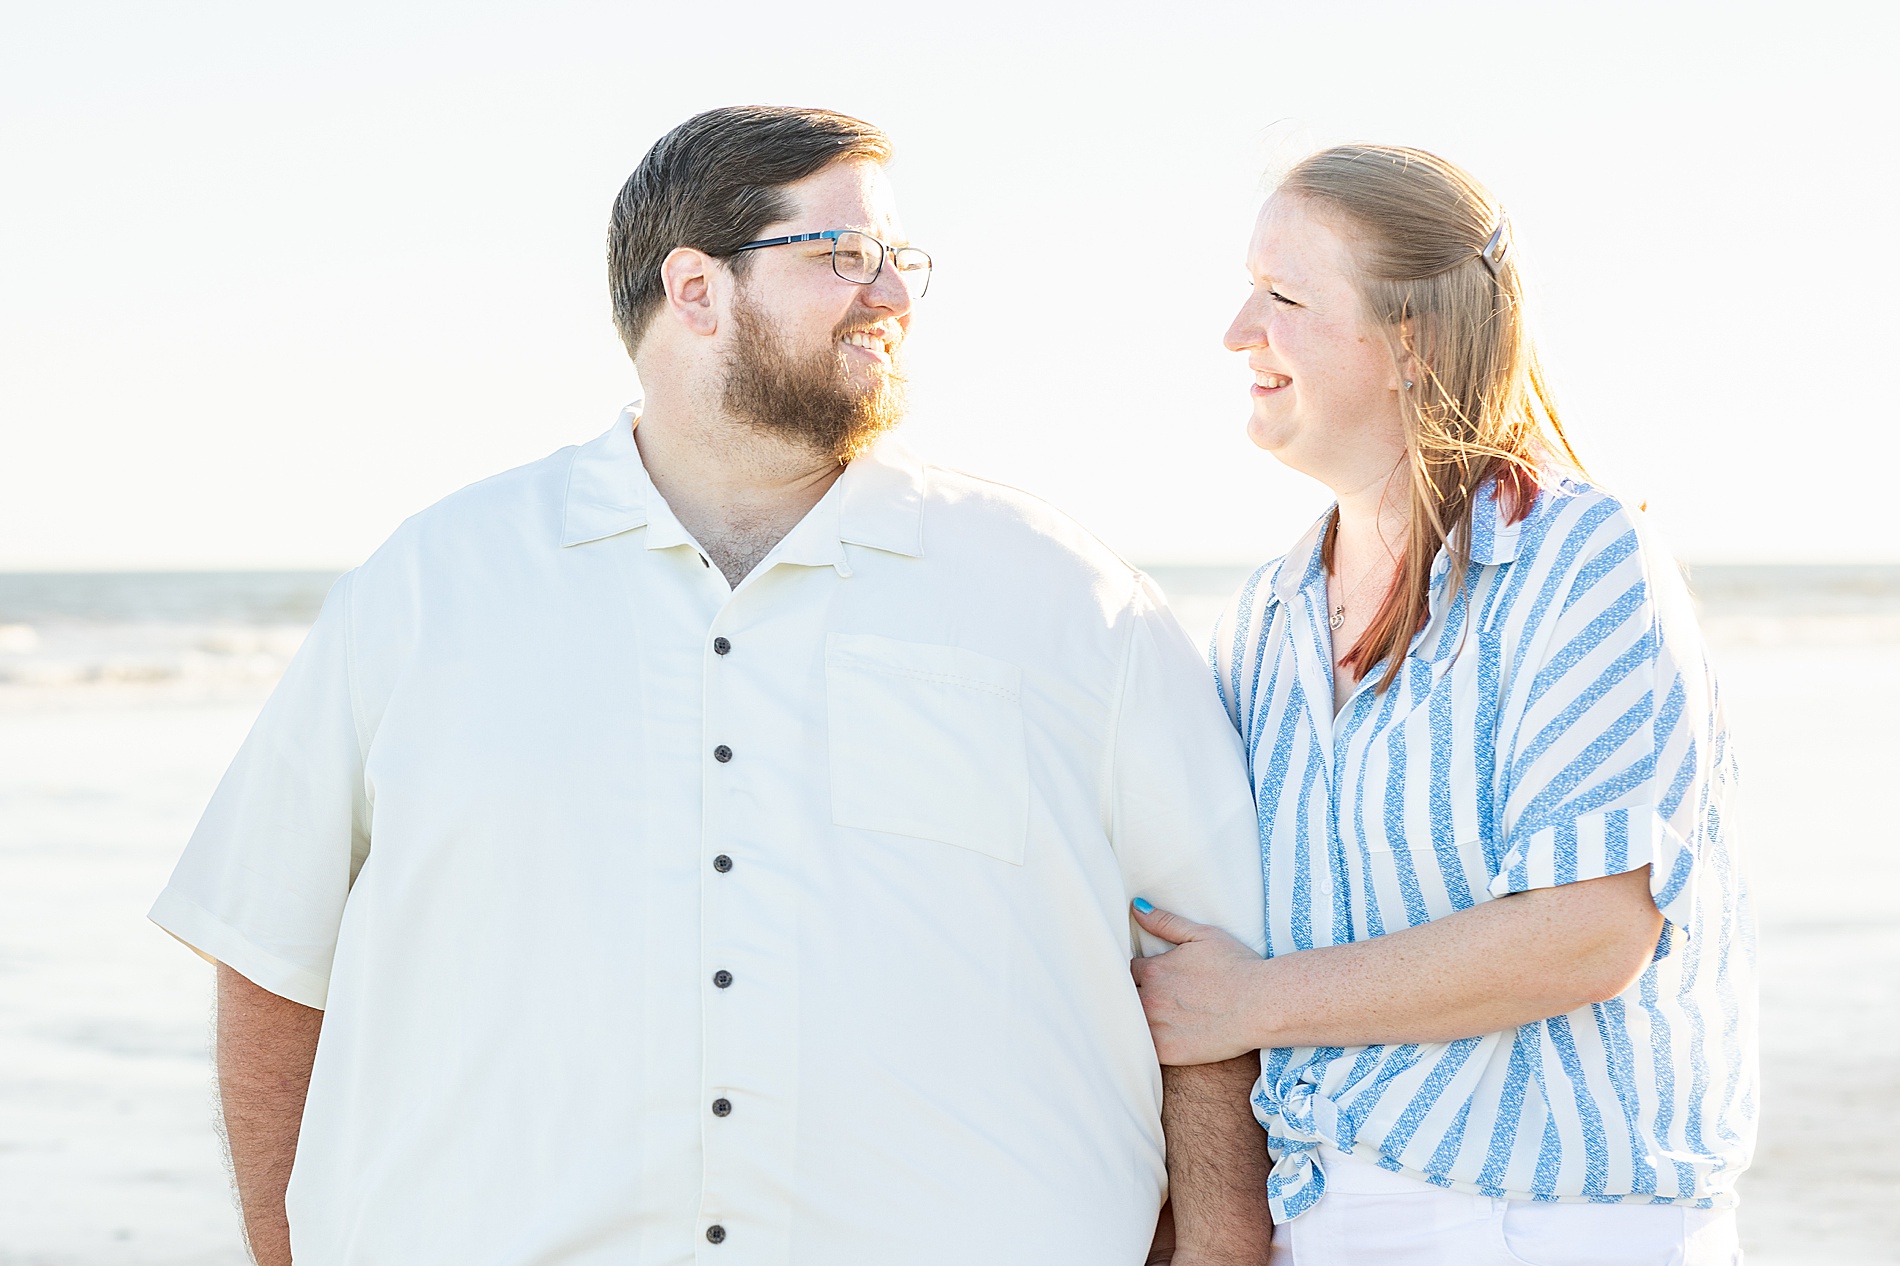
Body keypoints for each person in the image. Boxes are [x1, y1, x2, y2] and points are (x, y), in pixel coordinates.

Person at [149, 106, 1275, 1265]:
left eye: (900, 261)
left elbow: (1206, 966)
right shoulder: (429, 588)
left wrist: (1220, 1246)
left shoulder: (1066, 599)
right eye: (843, 255)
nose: (890, 295)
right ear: (695, 290)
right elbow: (272, 950)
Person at [1128, 145, 1755, 1265]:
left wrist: (1252, 1003)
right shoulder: (1266, 619)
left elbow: (1587, 935)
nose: (1237, 329)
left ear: (1410, 340)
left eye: (1283, 296)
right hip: (1324, 1220)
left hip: (1562, 1229)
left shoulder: (1580, 560)